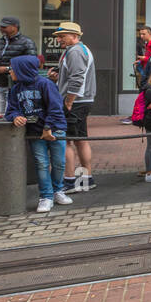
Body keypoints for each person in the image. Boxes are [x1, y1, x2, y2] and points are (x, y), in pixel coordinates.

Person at [5, 54, 70, 212]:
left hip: (55, 129)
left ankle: (58, 190)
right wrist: (16, 117)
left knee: (59, 162)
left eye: (11, 69)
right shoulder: (15, 89)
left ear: (22, 69)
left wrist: (48, 128)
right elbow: (11, 110)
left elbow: (55, 108)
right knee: (41, 164)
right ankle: (46, 196)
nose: (9, 72)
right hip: (35, 133)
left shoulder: (46, 84)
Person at [50, 22, 97, 194]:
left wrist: (68, 102)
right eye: (58, 36)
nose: (59, 39)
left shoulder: (75, 51)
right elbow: (75, 76)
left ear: (74, 36)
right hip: (81, 100)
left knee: (66, 140)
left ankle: (70, 181)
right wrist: (58, 76)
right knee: (80, 139)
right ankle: (86, 179)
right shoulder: (79, 50)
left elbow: (77, 78)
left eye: (62, 36)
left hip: (76, 102)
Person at [0, 17, 37, 115]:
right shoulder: (1, 41)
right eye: (0, 26)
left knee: (13, 110)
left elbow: (30, 64)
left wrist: (6, 69)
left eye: (4, 27)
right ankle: (3, 116)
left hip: (16, 83)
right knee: (3, 111)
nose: (1, 28)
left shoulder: (27, 42)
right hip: (1, 81)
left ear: (15, 27)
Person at [132, 24, 151, 90]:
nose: (141, 36)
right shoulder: (147, 44)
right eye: (140, 34)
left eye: (143, 34)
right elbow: (149, 57)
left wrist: (143, 58)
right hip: (147, 71)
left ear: (150, 33)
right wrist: (140, 61)